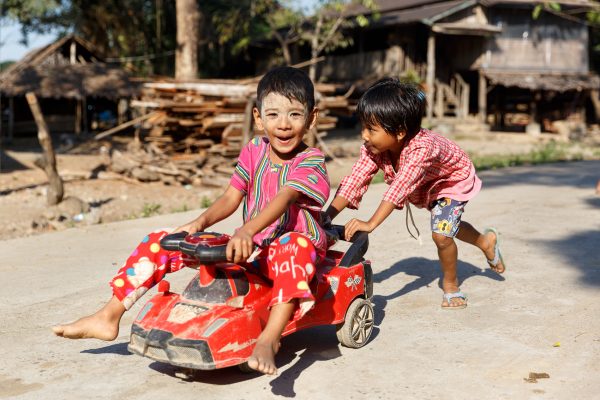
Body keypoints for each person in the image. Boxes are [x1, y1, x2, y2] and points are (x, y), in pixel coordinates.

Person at [53, 66, 331, 375]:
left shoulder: (312, 161)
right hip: (252, 245)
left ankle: (270, 337)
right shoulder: (255, 150)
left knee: (295, 246)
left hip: (291, 249)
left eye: (294, 115)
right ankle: (109, 314)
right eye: (274, 114)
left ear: (311, 118)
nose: (283, 124)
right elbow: (230, 196)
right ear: (258, 117)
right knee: (163, 240)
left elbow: (285, 197)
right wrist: (196, 225)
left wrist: (247, 229)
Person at [324, 78, 505, 310]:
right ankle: (485, 241)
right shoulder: (373, 147)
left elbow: (399, 188)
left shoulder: (422, 149)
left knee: (442, 234)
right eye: (363, 127)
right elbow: (356, 179)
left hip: (451, 181)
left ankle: (451, 286)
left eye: (371, 129)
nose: (364, 135)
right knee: (449, 225)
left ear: (399, 132)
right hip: (426, 186)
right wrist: (326, 216)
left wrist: (370, 224)